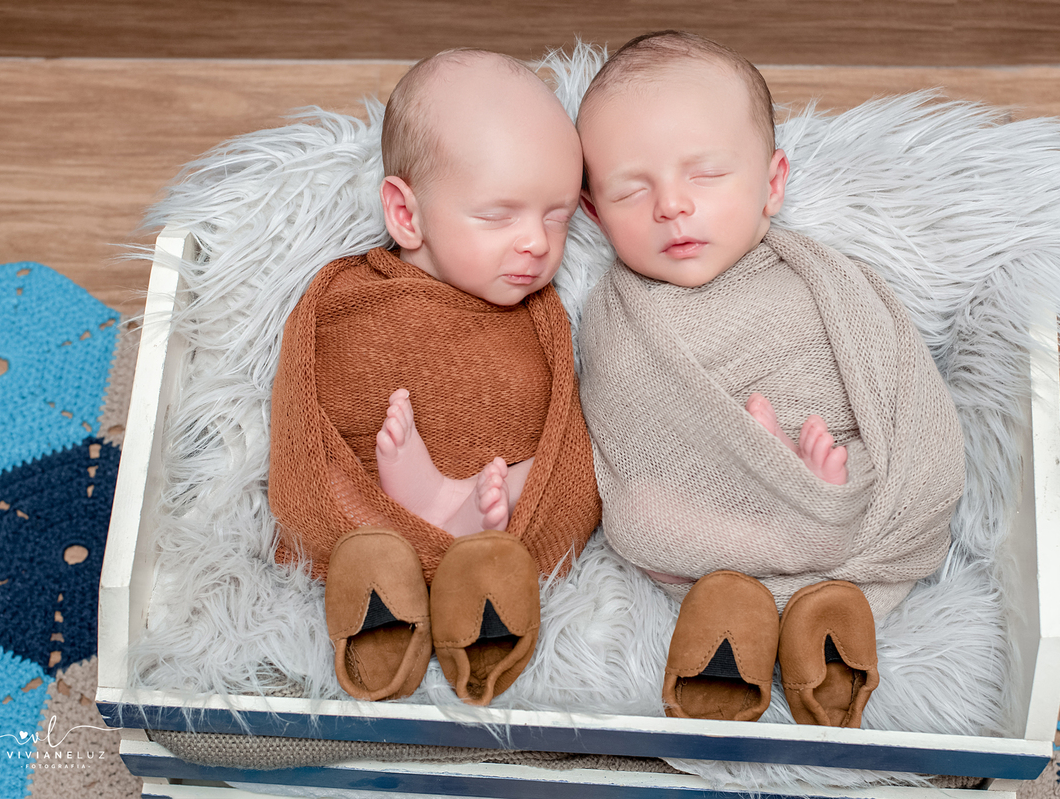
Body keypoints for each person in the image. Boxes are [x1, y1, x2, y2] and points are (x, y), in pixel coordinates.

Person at [575, 31, 965, 726]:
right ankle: (785, 615)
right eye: (632, 189)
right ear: (592, 211)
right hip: (703, 525)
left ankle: (794, 603)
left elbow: (903, 395)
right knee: (637, 516)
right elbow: (626, 448)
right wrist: (755, 467)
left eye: (706, 175)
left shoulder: (827, 282)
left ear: (772, 183)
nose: (671, 205)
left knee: (881, 458)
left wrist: (834, 478)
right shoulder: (615, 319)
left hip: (850, 489)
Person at [268, 49, 601, 706]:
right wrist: (370, 511)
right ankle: (418, 528)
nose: (537, 242)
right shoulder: (349, 299)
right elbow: (303, 422)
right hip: (374, 523)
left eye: (557, 216)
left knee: (567, 465)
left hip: (505, 518)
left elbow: (571, 432)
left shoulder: (544, 313)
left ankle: (465, 526)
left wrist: (521, 501)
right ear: (406, 213)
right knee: (370, 533)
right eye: (499, 214)